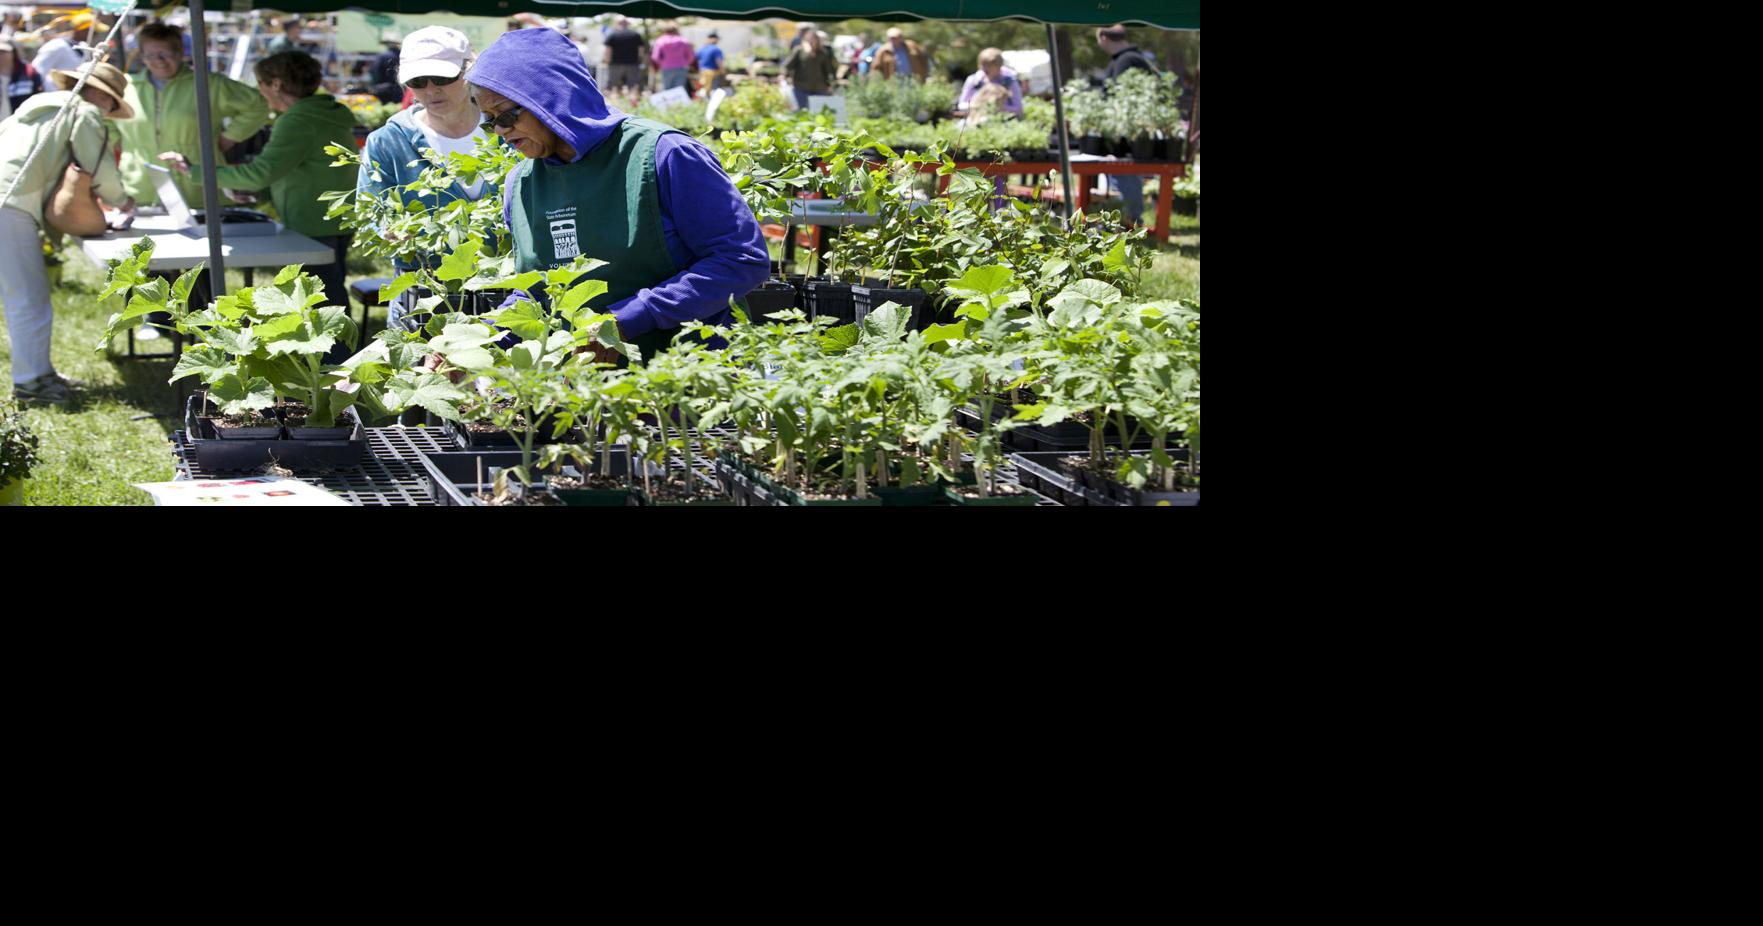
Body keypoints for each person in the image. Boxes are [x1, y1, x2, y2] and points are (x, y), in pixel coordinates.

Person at [466, 27, 766, 363]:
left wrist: (630, 318)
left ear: (550, 96)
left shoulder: (664, 154)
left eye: (506, 115)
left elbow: (741, 259)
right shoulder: (521, 185)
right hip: (576, 395)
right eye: (490, 122)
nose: (501, 131)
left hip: (684, 381)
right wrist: (478, 342)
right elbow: (536, 296)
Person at [160, 51, 358, 360]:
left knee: (324, 307)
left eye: (261, 84)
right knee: (325, 301)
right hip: (326, 220)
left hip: (313, 224)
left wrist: (197, 171)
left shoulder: (298, 120)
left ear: (276, 84)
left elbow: (261, 172)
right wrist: (260, 195)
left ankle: (337, 375)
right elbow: (296, 168)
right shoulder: (319, 113)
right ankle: (331, 369)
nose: (260, 92)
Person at [0, 61, 135, 406]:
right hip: (11, 204)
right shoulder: (85, 111)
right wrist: (122, 201)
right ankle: (31, 384)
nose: (107, 112)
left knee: (27, 297)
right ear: (102, 97)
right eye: (110, 104)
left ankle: (38, 373)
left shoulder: (37, 106)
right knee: (28, 300)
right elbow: (97, 164)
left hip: (9, 199)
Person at [356, 26, 489, 331]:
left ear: (468, 71)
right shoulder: (388, 141)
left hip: (504, 287)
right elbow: (369, 214)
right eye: (418, 81)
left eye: (442, 78)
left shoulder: (505, 130)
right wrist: (386, 231)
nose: (431, 89)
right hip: (424, 292)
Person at [114, 22, 269, 210]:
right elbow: (107, 118)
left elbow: (258, 105)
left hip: (198, 191)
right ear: (141, 55)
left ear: (180, 53)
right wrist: (120, 143)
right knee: (145, 241)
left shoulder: (208, 84)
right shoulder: (125, 88)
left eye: (166, 54)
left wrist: (230, 138)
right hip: (140, 189)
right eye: (150, 55)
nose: (159, 61)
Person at [1096, 25, 1157, 227]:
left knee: (1125, 175)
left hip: (1128, 136)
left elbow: (1119, 98)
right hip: (1128, 132)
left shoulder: (1126, 60)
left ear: (1103, 38)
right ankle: (1127, 220)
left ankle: (1129, 222)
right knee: (1123, 177)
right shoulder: (1128, 58)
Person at [953, 48, 1023, 119]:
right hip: (975, 118)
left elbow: (1018, 109)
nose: (984, 69)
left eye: (988, 66)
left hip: (1003, 119)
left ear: (999, 66)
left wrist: (999, 108)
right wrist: (979, 105)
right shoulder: (974, 80)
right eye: (982, 65)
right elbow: (961, 104)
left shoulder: (1010, 81)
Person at [781, 29, 836, 111]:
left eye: (814, 39)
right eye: (810, 39)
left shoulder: (823, 53)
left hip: (819, 88)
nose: (812, 41)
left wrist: (830, 84)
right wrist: (784, 75)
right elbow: (788, 65)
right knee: (802, 111)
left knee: (818, 112)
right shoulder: (799, 51)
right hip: (801, 87)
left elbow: (828, 70)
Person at [1, 38, 46, 122]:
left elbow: (38, 98)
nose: (0, 56)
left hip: (22, 123)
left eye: (3, 52)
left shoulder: (28, 73)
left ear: (13, 53)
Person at [601, 19, 646, 91]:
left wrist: (607, 61)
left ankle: (613, 101)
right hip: (632, 64)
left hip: (615, 64)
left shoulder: (612, 35)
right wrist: (640, 61)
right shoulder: (636, 35)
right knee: (633, 86)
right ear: (628, 24)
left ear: (617, 23)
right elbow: (641, 50)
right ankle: (631, 101)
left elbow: (608, 50)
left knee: (613, 86)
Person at [649, 26, 693, 93]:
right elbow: (691, 56)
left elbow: (655, 57)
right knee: (680, 89)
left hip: (666, 67)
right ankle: (679, 103)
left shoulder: (660, 41)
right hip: (681, 67)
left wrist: (662, 63)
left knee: (667, 88)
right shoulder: (683, 40)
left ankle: (669, 103)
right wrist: (686, 63)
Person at [369, 34, 402, 104]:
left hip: (385, 90)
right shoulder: (403, 54)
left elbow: (375, 72)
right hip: (400, 89)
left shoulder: (382, 56)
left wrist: (375, 84)